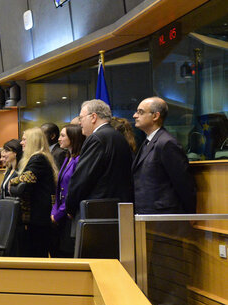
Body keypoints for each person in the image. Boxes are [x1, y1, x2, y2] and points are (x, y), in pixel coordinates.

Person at [66, 99, 134, 217]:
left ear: (93, 117)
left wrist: (70, 207)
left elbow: (83, 178)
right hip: (117, 209)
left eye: (81, 118)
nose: (80, 123)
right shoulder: (118, 136)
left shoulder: (96, 138)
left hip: (97, 210)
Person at [132, 97, 197, 214]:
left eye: (140, 112)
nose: (135, 116)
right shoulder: (147, 142)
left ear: (155, 116)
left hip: (163, 216)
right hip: (146, 214)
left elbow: (183, 183)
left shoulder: (167, 143)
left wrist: (189, 214)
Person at [8, 128, 58, 257]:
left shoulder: (38, 158)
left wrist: (11, 182)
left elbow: (24, 185)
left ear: (33, 141)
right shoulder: (40, 158)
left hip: (38, 217)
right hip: (38, 217)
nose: (21, 143)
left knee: (36, 254)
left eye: (24, 139)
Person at [51, 124, 85, 256]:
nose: (59, 139)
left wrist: (59, 213)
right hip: (60, 215)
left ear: (73, 138)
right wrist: (54, 211)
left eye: (63, 135)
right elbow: (59, 188)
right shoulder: (67, 157)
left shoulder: (78, 160)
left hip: (69, 214)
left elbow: (72, 190)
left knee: (67, 252)